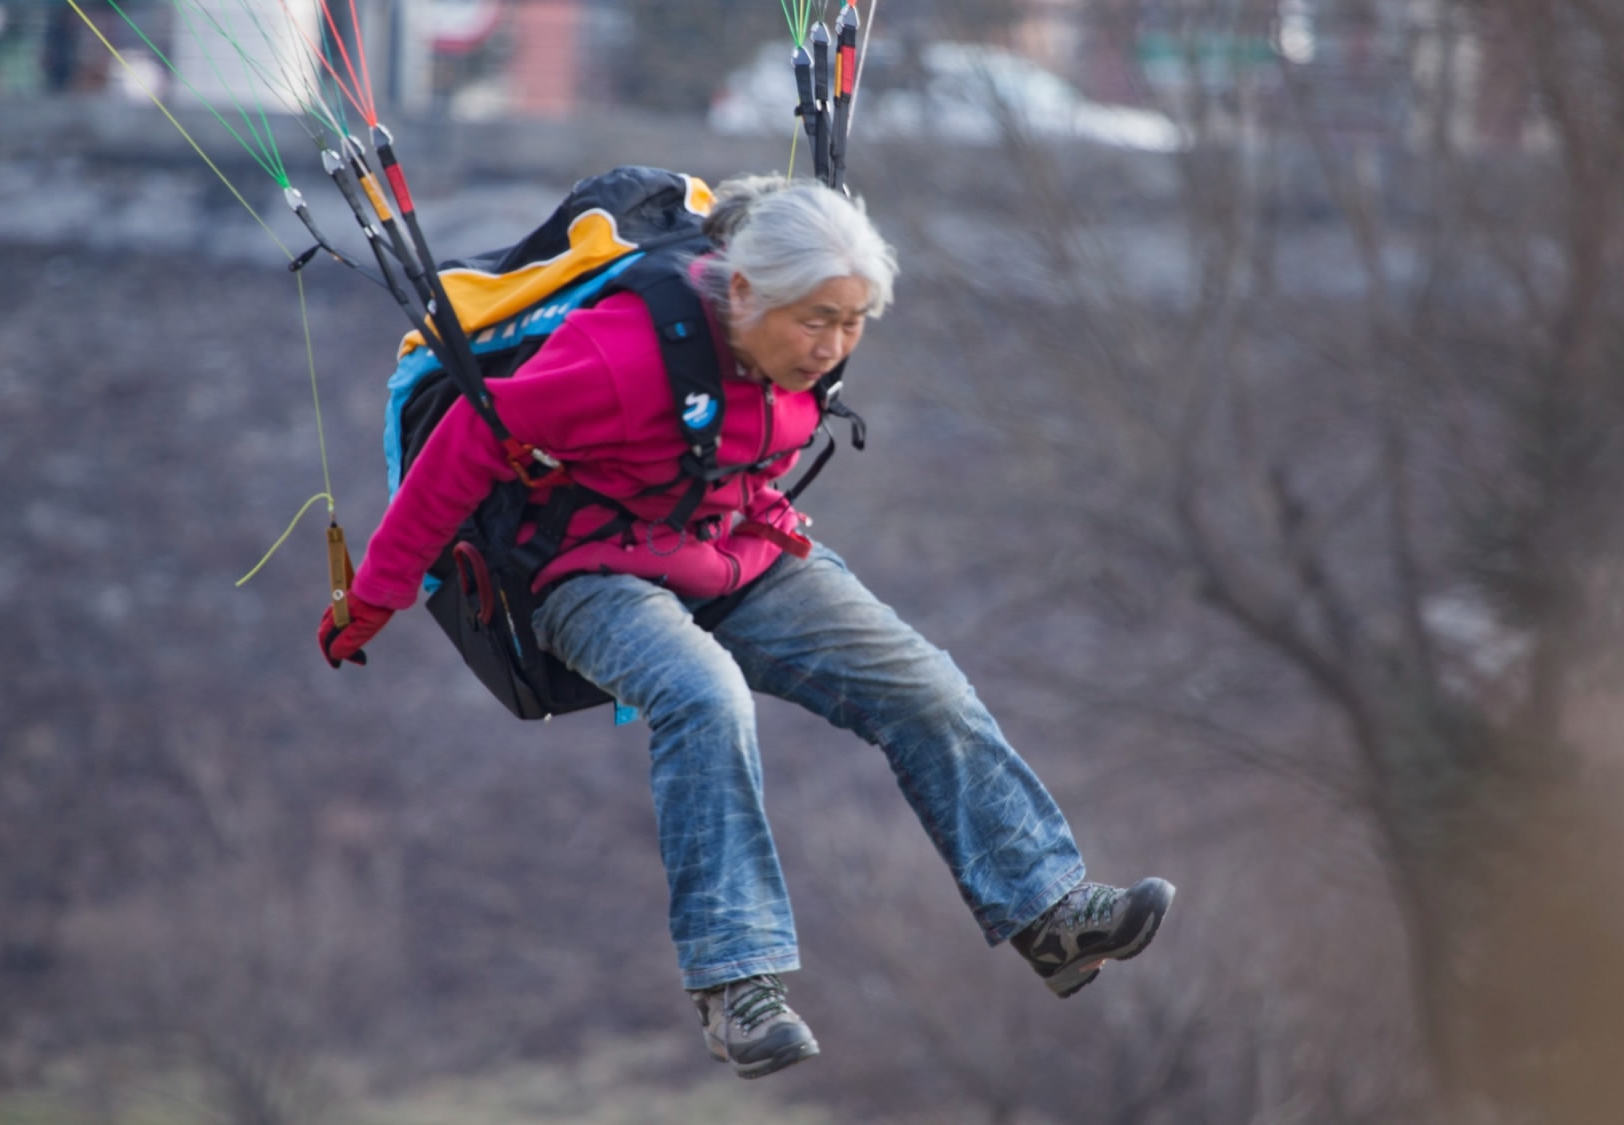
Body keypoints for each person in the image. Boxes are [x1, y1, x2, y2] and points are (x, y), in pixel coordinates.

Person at [318, 175, 1175, 1080]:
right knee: (705, 694)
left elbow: (743, 438)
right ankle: (738, 989)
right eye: (815, 320)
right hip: (592, 573)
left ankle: (1050, 914)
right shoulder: (621, 358)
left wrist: (766, 502)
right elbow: (466, 444)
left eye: (852, 322)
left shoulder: (816, 349)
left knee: (923, 684)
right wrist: (376, 594)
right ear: (742, 294)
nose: (833, 345)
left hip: (731, 550)